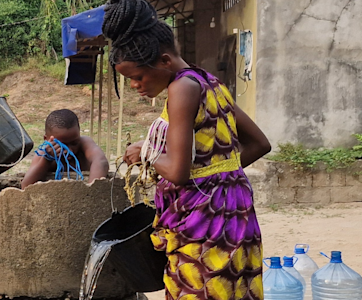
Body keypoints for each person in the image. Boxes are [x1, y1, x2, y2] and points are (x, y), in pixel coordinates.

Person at [104, 0, 272, 299]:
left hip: (204, 224)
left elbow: (178, 172)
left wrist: (146, 152)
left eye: (138, 77)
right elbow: (260, 144)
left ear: (164, 61)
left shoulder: (181, 88)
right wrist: (216, 177)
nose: (135, 86)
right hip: (236, 215)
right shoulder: (210, 82)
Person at [20, 109, 109, 188]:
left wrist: (91, 190)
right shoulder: (44, 153)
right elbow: (26, 185)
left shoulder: (84, 143)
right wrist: (47, 160)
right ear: (46, 139)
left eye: (74, 143)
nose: (69, 150)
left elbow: (101, 161)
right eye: (62, 145)